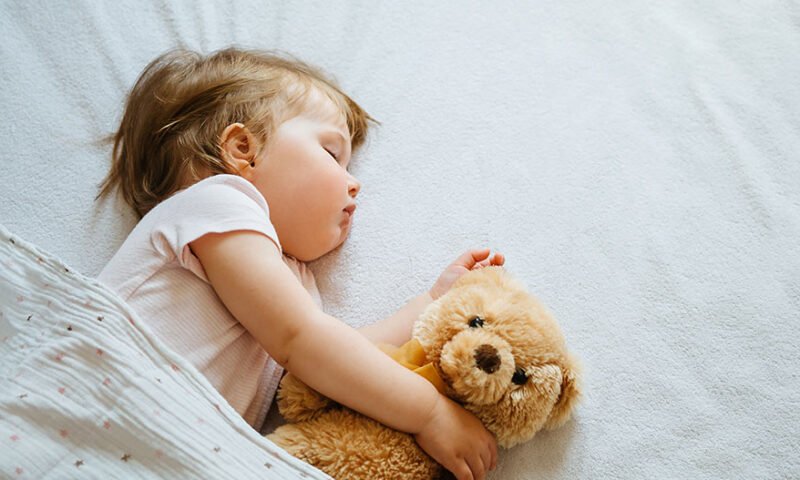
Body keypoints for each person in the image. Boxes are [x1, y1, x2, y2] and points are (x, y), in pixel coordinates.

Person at [96, 47, 504, 480]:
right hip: (105, 408)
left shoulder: (294, 282)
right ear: (242, 151)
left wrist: (432, 302)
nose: (355, 183)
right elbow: (305, 342)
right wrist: (429, 414)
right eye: (332, 154)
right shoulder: (217, 204)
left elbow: (333, 366)